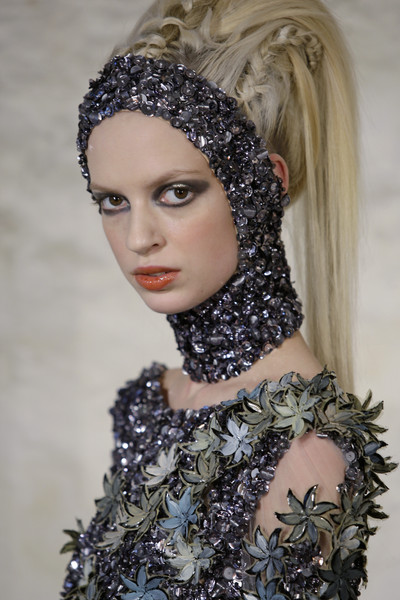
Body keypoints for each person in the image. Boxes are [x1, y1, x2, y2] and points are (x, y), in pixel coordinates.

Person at [60, 1, 394, 598]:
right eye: (112, 201)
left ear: (265, 183)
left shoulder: (299, 450)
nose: (138, 238)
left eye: (176, 192)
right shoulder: (149, 404)